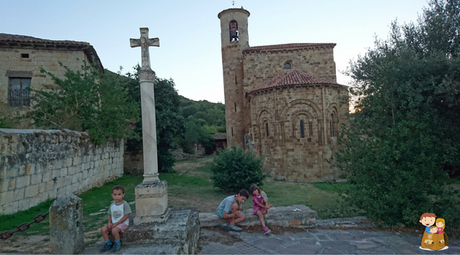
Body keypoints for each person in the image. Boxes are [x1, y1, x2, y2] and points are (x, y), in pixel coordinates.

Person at [100, 185, 132, 253]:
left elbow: (126, 216)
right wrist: (109, 223)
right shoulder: (112, 205)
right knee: (103, 230)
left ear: (123, 195)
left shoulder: (124, 204)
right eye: (115, 194)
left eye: (119, 194)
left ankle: (117, 243)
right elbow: (111, 215)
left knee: (114, 230)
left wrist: (117, 224)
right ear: (112, 195)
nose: (117, 196)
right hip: (114, 223)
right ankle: (108, 243)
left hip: (123, 223)